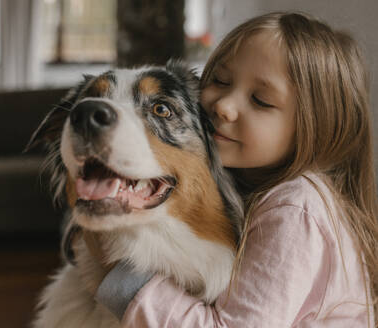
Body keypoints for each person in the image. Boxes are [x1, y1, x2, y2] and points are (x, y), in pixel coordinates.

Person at [86, 12, 378, 327]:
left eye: (261, 100)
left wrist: (119, 272)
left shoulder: (296, 209)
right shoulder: (245, 181)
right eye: (221, 81)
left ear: (314, 130)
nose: (224, 105)